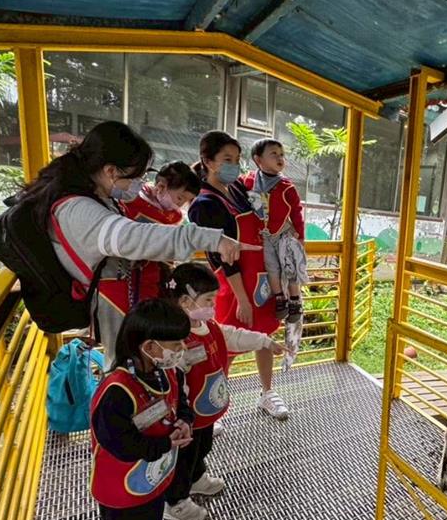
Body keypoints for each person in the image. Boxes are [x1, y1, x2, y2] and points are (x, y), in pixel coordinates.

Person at [16, 121, 253, 366]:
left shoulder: (94, 197)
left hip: (124, 293)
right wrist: (213, 239)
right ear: (111, 171)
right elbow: (135, 236)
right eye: (134, 177)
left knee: (137, 359)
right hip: (112, 300)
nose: (137, 185)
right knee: (126, 364)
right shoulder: (78, 209)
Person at [161, 263, 285, 520]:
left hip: (205, 412)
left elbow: (233, 336)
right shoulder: (175, 338)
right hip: (187, 415)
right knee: (184, 457)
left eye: (214, 299)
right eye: (208, 299)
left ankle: (196, 478)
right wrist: (180, 413)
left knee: (202, 446)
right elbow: (172, 379)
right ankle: (175, 502)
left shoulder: (209, 325)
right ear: (184, 301)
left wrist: (264, 341)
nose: (213, 305)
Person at [89, 299, 194, 520]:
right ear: (149, 346)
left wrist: (184, 421)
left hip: (153, 472)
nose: (182, 349)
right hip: (121, 481)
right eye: (175, 344)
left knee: (151, 510)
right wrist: (164, 444)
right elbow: (119, 444)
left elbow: (180, 403)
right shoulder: (117, 391)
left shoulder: (167, 372)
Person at [187, 131, 289, 420]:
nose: (234, 165)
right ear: (208, 162)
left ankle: (267, 393)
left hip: (260, 280)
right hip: (234, 286)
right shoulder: (204, 204)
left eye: (237, 159)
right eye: (227, 159)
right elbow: (222, 259)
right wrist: (242, 299)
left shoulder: (238, 190)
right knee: (226, 343)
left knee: (264, 335)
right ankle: (215, 403)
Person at [97, 162, 204, 333]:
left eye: (185, 201)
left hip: (153, 279)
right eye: (179, 198)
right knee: (123, 328)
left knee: (147, 326)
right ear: (161, 187)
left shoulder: (174, 216)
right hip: (120, 277)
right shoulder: (130, 199)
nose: (180, 205)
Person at [241, 139, 306, 323]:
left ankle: (295, 300)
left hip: (284, 233)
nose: (280, 158)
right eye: (274, 154)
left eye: (282, 155)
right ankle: (279, 298)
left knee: (290, 266)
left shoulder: (286, 186)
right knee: (271, 267)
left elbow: (297, 212)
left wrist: (301, 237)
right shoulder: (248, 182)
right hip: (264, 236)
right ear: (258, 160)